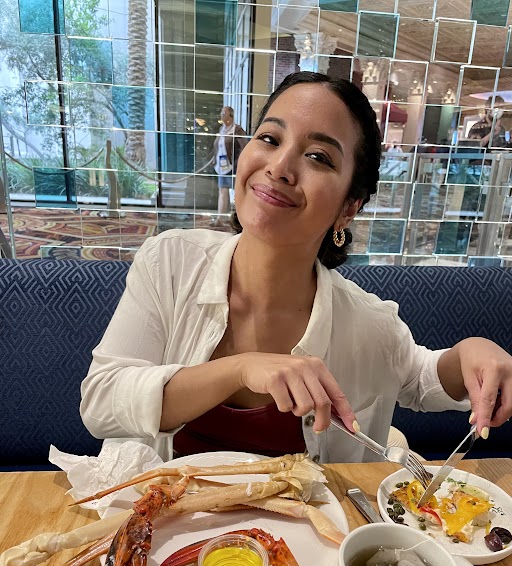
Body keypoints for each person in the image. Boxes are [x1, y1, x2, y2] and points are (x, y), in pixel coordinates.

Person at [81, 72, 512, 463]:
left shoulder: (368, 323)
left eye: (319, 157)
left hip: (308, 545)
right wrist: (240, 367)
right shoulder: (171, 261)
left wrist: (470, 353)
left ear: (348, 208)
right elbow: (101, 402)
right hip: (158, 533)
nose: (280, 168)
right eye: (270, 138)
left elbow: (419, 376)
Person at [210, 106, 247, 229]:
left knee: (237, 192)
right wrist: (214, 158)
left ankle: (239, 220)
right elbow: (218, 146)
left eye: (225, 113)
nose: (222, 116)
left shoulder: (237, 130)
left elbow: (244, 146)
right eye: (221, 113)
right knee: (222, 190)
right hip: (222, 166)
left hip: (233, 166)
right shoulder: (222, 129)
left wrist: (239, 162)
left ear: (231, 116)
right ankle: (220, 218)